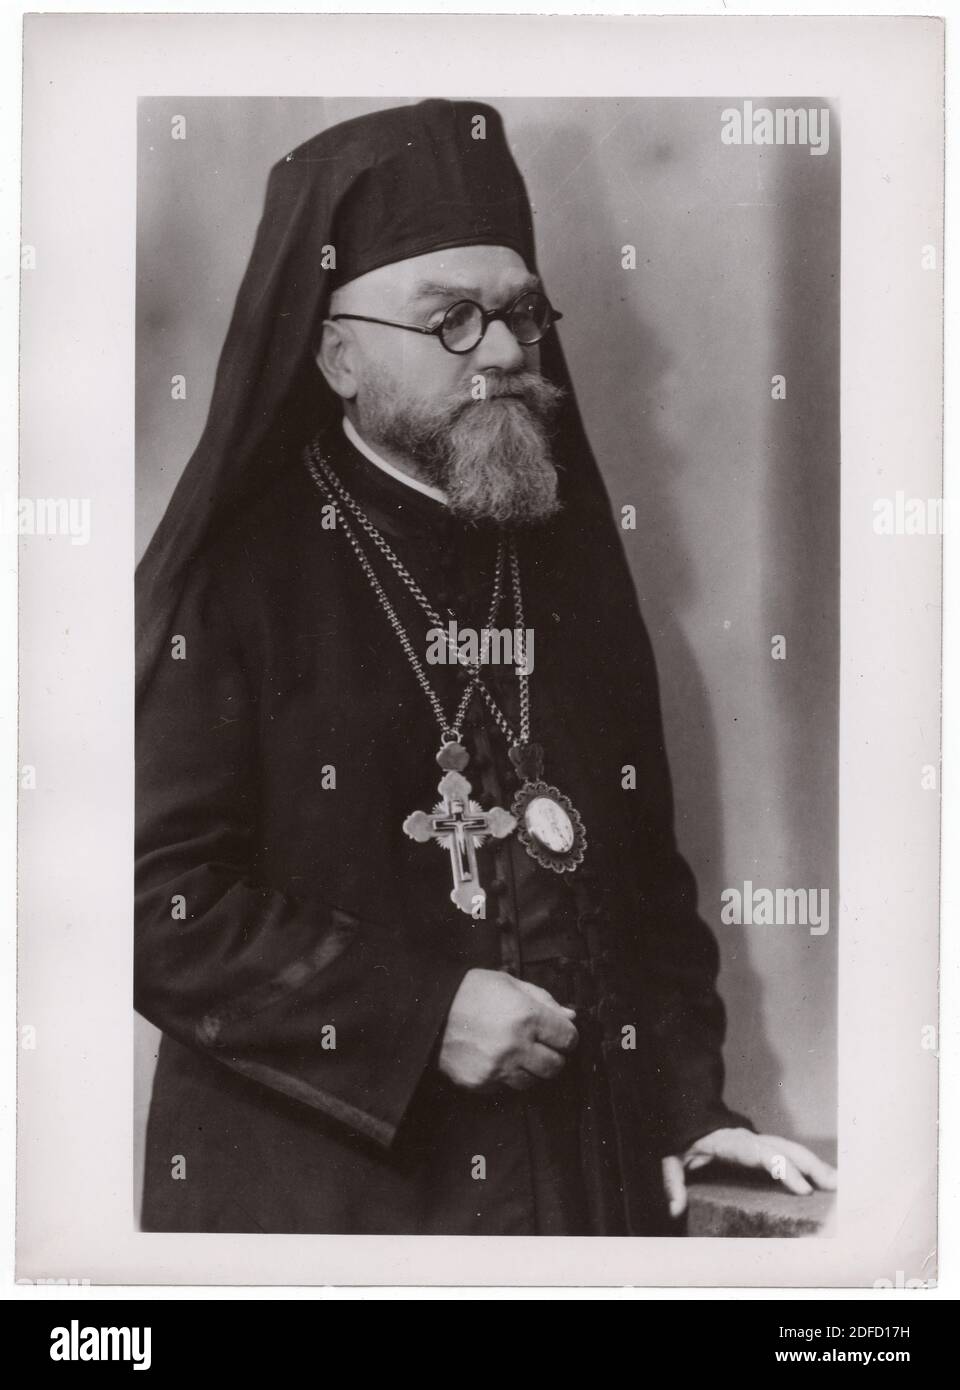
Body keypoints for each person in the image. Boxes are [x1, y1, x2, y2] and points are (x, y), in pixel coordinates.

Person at [135, 98, 836, 1234]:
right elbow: (143, 904)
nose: (506, 353)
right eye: (452, 320)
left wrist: (692, 1114)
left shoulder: (562, 571)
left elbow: (643, 886)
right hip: (332, 1204)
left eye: (517, 313)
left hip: (579, 1192)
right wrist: (419, 1016)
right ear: (337, 353)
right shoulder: (235, 588)